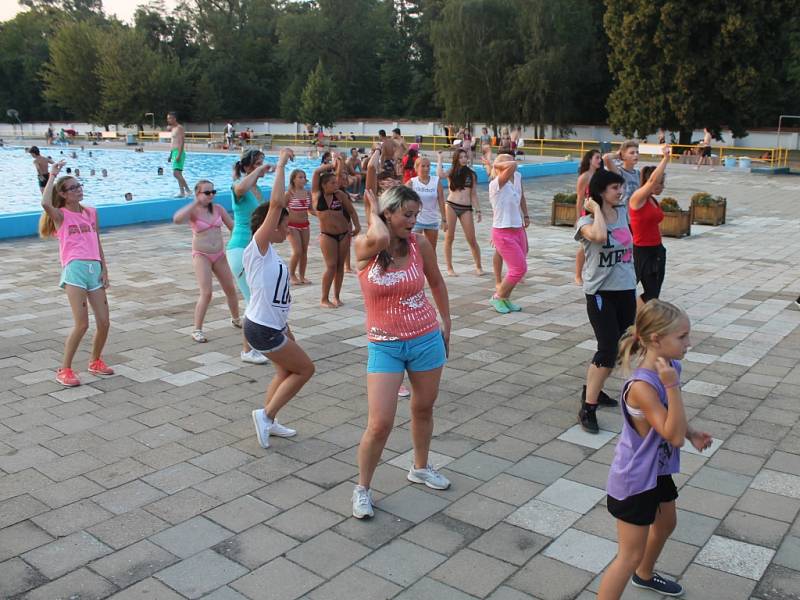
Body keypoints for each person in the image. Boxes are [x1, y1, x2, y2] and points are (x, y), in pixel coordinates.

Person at [597, 300, 712, 600]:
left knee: (666, 524)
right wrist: (672, 388)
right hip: (635, 479)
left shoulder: (670, 366)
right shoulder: (642, 386)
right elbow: (671, 435)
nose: (689, 343)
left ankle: (645, 575)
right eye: (683, 336)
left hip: (656, 470)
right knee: (628, 556)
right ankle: (637, 569)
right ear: (656, 340)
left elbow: (671, 420)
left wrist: (693, 433)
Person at [351, 185, 452, 519]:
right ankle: (362, 488)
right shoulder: (365, 247)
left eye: (416, 214)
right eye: (406, 215)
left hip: (425, 338)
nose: (413, 221)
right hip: (384, 345)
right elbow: (379, 238)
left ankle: (420, 467)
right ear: (387, 214)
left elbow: (436, 282)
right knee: (379, 423)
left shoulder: (420, 244)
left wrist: (446, 322)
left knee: (423, 408)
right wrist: (371, 209)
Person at [245, 148, 315, 450]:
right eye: (284, 225)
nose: (287, 230)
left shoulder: (270, 252)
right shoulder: (257, 249)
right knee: (305, 369)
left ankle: (268, 420)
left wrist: (286, 327)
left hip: (273, 325)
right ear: (270, 226)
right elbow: (276, 203)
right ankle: (266, 414)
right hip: (261, 328)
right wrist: (282, 163)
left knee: (286, 371)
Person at [39, 160, 113, 387]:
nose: (79, 190)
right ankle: (65, 368)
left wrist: (104, 269)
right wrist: (52, 175)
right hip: (75, 271)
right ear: (63, 194)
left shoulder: (91, 212)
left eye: (79, 186)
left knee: (104, 321)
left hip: (94, 270)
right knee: (82, 324)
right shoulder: (60, 215)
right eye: (73, 188)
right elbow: (44, 202)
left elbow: (96, 239)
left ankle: (95, 361)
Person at [575, 169, 637, 433]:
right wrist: (595, 209)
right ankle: (588, 406)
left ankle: (594, 388)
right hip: (600, 293)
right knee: (607, 348)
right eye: (614, 188)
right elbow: (600, 237)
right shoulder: (585, 223)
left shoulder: (622, 211)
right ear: (601, 192)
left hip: (625, 289)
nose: (620, 191)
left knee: (622, 345)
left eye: (620, 187)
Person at [173, 181, 241, 343]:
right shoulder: (193, 212)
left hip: (219, 254)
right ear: (198, 194)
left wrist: (235, 244)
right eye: (207, 192)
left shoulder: (218, 209)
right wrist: (195, 202)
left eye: (213, 192)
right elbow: (177, 219)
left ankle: (236, 318)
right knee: (207, 292)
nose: (211, 195)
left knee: (230, 289)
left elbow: (233, 227)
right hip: (202, 255)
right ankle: (197, 329)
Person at [227, 149, 275, 364]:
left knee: (259, 298)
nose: (262, 167)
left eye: (263, 163)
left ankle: (261, 343)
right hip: (240, 249)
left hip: (254, 250)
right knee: (252, 300)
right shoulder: (240, 189)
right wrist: (258, 171)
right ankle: (248, 350)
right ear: (248, 167)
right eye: (258, 163)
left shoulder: (256, 190)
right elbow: (239, 187)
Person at [310, 155, 360, 307]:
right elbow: (316, 173)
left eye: (336, 181)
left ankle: (337, 296)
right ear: (324, 185)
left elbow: (352, 212)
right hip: (327, 236)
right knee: (331, 266)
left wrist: (357, 226)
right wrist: (332, 164)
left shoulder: (341, 195)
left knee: (339, 266)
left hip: (344, 235)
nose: (336, 184)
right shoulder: (317, 196)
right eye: (332, 183)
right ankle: (324, 298)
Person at [629, 147, 671, 308]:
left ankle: (640, 321)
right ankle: (634, 319)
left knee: (654, 294)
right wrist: (666, 158)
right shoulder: (637, 198)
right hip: (642, 252)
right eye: (661, 182)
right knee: (649, 294)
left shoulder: (653, 200)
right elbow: (652, 181)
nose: (662, 186)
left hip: (657, 250)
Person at [488, 154, 529, 313]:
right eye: (508, 160)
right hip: (502, 231)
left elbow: (521, 197)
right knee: (518, 268)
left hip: (517, 228)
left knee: (520, 268)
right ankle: (497, 297)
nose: (513, 163)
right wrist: (498, 165)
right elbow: (512, 166)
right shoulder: (496, 184)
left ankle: (505, 297)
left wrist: (525, 215)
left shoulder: (517, 177)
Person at [440, 148, 483, 276]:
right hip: (451, 205)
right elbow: (440, 175)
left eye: (465, 157)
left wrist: (478, 210)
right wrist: (439, 159)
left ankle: (479, 266)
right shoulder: (451, 172)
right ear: (456, 159)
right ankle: (449, 268)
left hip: (466, 208)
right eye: (461, 157)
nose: (464, 159)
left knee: (471, 238)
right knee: (449, 237)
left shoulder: (472, 174)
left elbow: (474, 194)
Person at [575, 149, 602, 285]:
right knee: (584, 246)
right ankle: (578, 275)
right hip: (587, 214)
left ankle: (592, 271)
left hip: (599, 213)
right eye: (597, 158)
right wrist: (579, 218)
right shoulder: (584, 177)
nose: (600, 160)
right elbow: (579, 199)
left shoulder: (600, 175)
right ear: (590, 160)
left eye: (600, 158)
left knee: (597, 245)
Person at [408, 155, 446, 252]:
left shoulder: (436, 181)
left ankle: (430, 267)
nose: (426, 168)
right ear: (416, 168)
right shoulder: (412, 182)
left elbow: (441, 200)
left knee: (431, 250)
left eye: (428, 166)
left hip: (432, 220)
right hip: (417, 221)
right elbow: (403, 201)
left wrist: (444, 220)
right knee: (413, 249)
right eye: (423, 166)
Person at [285, 169, 312, 285]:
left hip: (305, 225)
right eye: (300, 177)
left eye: (304, 177)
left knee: (304, 251)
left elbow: (311, 209)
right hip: (292, 226)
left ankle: (302, 275)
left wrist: (323, 215)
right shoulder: (289, 193)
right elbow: (281, 208)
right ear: (293, 179)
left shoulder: (308, 193)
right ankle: (291, 275)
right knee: (297, 251)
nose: (303, 179)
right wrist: (282, 225)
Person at [603, 140, 640, 205]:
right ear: (623, 156)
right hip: (622, 210)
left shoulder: (638, 173)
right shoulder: (619, 172)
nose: (636, 155)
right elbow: (606, 158)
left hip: (634, 211)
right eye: (632, 153)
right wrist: (617, 155)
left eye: (637, 152)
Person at [166, 112, 190, 197]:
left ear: (174, 118)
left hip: (179, 152)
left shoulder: (180, 128)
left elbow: (181, 142)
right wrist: (170, 155)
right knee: (179, 174)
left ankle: (188, 190)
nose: (168, 120)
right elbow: (173, 142)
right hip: (174, 152)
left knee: (176, 173)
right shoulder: (173, 129)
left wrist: (179, 154)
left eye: (169, 118)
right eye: (167, 118)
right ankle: (182, 192)